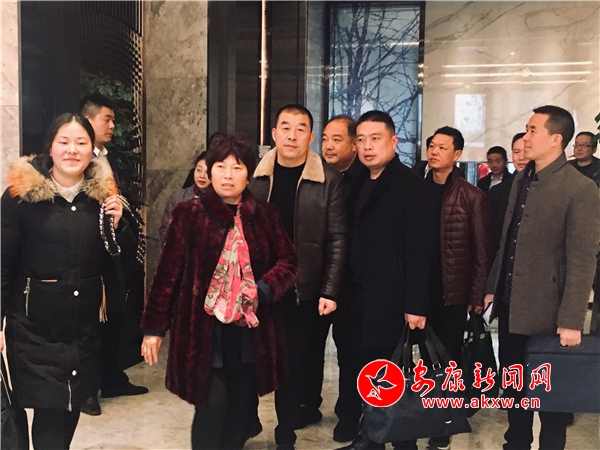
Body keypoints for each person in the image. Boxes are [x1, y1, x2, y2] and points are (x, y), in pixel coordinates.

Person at [141, 133, 299, 450]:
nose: (228, 175)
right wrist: (154, 329)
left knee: (241, 411)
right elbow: (167, 274)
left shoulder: (265, 215)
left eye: (237, 167)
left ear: (248, 174)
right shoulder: (188, 215)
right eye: (221, 167)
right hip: (203, 334)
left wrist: (262, 289)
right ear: (209, 172)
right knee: (211, 408)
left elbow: (289, 262)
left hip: (249, 334)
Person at [1, 113, 136, 449]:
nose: (72, 150)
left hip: (83, 328)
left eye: (81, 143)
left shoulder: (103, 197)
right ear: (50, 146)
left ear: (92, 150)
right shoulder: (20, 197)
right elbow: (2, 262)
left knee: (71, 406)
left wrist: (119, 225)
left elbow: (122, 260)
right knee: (50, 412)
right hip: (34, 328)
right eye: (64, 141)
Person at [485, 105, 600, 450]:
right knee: (514, 386)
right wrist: (492, 288)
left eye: (533, 130)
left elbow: (582, 260)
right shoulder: (522, 180)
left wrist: (571, 321)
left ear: (555, 139)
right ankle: (516, 443)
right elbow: (507, 241)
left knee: (551, 396)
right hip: (511, 305)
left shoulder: (580, 189)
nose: (526, 137)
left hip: (549, 313)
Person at [250, 104, 347, 450]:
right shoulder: (254, 176)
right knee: (251, 359)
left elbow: (337, 238)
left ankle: (286, 434)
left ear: (310, 136)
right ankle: (245, 421)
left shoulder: (329, 180)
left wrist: (330, 290)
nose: (292, 136)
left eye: (300, 129)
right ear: (274, 134)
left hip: (302, 290)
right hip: (257, 288)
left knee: (291, 366)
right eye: (286, 128)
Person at [338, 111, 433, 450]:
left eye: (375, 139)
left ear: (393, 141)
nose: (367, 146)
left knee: (392, 373)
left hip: (391, 299)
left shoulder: (411, 186)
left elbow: (420, 251)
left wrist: (416, 304)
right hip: (356, 295)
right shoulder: (356, 182)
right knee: (365, 370)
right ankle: (372, 437)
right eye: (361, 140)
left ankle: (403, 441)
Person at [420, 126, 492, 450]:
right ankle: (424, 411)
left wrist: (476, 297)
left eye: (442, 147)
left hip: (453, 292)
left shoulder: (472, 196)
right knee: (423, 357)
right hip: (419, 290)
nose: (434, 152)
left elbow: (482, 252)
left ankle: (445, 421)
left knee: (448, 357)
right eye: (432, 146)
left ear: (457, 154)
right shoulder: (416, 190)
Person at [79, 93, 148, 416]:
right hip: (91, 253)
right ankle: (86, 390)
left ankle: (111, 377)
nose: (112, 125)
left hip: (115, 250)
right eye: (106, 118)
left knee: (115, 317)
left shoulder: (106, 157)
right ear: (88, 120)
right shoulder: (81, 161)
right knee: (91, 323)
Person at [319, 115, 369, 443]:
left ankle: (356, 415)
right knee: (339, 350)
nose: (328, 145)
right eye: (325, 138)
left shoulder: (366, 179)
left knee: (357, 352)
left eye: (337, 139)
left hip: (358, 282)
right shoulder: (320, 177)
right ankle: (342, 410)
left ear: (353, 144)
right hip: (326, 280)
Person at [488, 133, 529, 254]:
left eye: (526, 151)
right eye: (516, 152)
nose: (521, 157)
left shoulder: (547, 188)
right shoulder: (497, 191)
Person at [159, 152, 210, 246]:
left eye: (207, 172)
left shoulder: (220, 200)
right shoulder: (177, 197)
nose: (202, 176)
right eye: (199, 170)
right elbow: (165, 229)